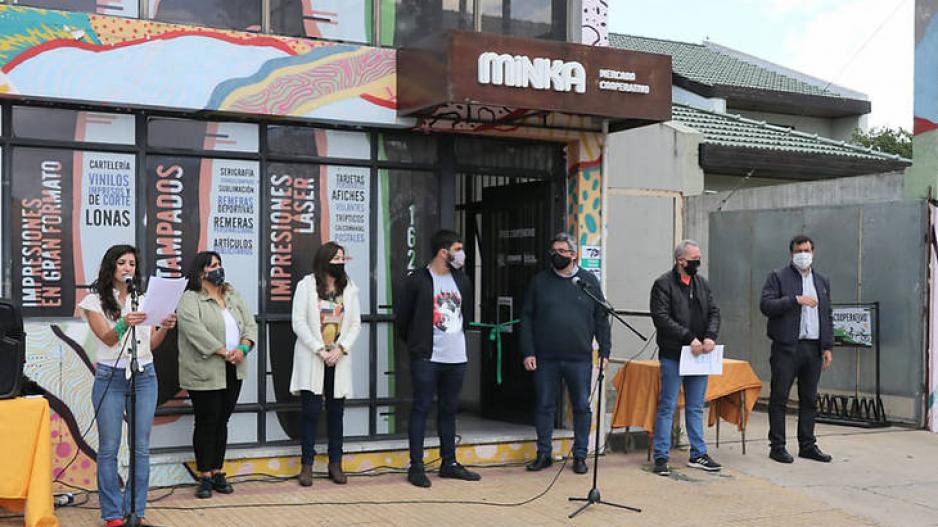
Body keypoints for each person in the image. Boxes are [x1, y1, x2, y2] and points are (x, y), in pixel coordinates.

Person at [79, 244, 176, 527]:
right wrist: (124, 323)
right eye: (121, 263)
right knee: (109, 447)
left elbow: (151, 344)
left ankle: (136, 511)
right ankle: (112, 514)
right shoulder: (93, 301)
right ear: (111, 267)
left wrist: (165, 326)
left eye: (132, 264)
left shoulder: (144, 300)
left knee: (141, 447)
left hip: (144, 375)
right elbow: (108, 339)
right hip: (110, 376)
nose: (127, 268)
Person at [521, 232, 611, 475]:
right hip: (545, 357)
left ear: (573, 255)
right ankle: (544, 453)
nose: (556, 255)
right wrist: (528, 351)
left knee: (581, 406)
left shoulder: (588, 281)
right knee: (544, 405)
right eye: (554, 251)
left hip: (579, 357)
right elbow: (527, 318)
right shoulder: (540, 282)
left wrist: (605, 351)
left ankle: (580, 455)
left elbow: (601, 318)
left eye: (562, 251)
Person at [396, 229, 480, 488]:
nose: (462, 254)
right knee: (421, 409)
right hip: (427, 358)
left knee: (449, 410)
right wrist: (417, 346)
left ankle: (449, 463)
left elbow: (465, 315)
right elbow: (403, 320)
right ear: (443, 252)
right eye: (458, 249)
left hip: (456, 358)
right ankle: (416, 466)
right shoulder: (418, 280)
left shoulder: (462, 280)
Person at [176, 251, 257, 498]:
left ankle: (217, 471)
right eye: (212, 265)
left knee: (222, 421)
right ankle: (204, 475)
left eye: (219, 264)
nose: (218, 269)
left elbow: (250, 325)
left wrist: (243, 349)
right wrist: (223, 351)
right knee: (206, 421)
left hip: (233, 368)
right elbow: (195, 331)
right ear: (201, 271)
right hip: (204, 370)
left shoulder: (231, 294)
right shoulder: (190, 299)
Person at [290, 242, 362, 486]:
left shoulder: (348, 287)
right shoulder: (306, 286)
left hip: (338, 359)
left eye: (342, 258)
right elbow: (298, 322)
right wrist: (319, 349)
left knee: (336, 413)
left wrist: (341, 349)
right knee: (310, 412)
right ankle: (307, 465)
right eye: (336, 259)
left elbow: (355, 324)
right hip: (313, 357)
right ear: (324, 261)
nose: (340, 263)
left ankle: (335, 463)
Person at [649, 240, 722, 476]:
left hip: (700, 355)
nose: (698, 263)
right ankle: (661, 456)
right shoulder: (663, 284)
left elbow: (714, 312)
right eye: (694, 259)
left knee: (696, 407)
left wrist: (710, 336)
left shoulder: (702, 283)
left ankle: (698, 453)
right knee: (667, 406)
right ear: (681, 261)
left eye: (699, 258)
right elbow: (661, 317)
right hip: (674, 353)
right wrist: (689, 338)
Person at [760, 234, 834, 464]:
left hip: (813, 348)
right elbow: (766, 305)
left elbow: (827, 315)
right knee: (779, 397)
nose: (803, 255)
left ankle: (807, 445)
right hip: (786, 347)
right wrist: (795, 300)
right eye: (799, 251)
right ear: (791, 254)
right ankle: (777, 446)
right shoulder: (778, 277)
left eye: (807, 251)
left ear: (813, 252)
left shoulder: (821, 281)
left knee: (809, 398)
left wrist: (827, 346)